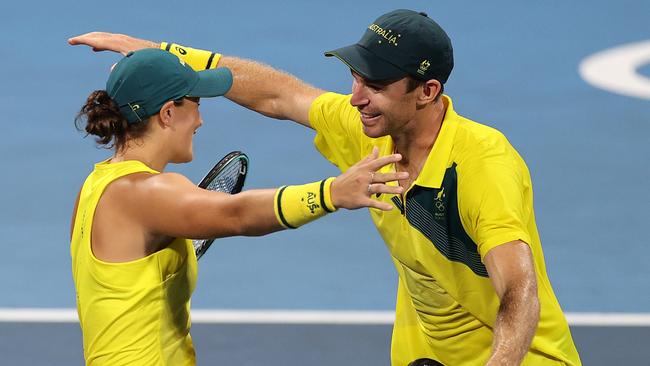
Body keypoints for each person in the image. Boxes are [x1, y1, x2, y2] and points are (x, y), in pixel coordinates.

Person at [69, 9, 582, 365]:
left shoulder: (481, 163)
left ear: (427, 92)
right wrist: (163, 55)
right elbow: (276, 94)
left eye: (375, 86)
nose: (355, 98)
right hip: (427, 356)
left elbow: (519, 289)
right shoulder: (364, 130)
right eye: (355, 78)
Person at [69, 48, 407, 365]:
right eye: (195, 103)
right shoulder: (149, 192)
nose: (200, 120)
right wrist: (331, 193)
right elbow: (237, 214)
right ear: (168, 113)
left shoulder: (94, 187)